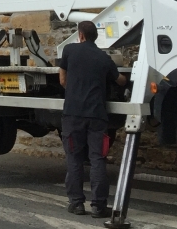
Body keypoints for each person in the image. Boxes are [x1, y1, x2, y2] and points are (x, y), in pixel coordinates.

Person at [58, 20, 128, 218]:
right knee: (98, 159)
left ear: (80, 35)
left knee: (74, 158)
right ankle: (98, 206)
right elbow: (120, 80)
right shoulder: (103, 57)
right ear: (95, 37)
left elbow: (62, 79)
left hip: (73, 115)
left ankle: (77, 203)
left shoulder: (69, 50)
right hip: (97, 115)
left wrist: (74, 92)